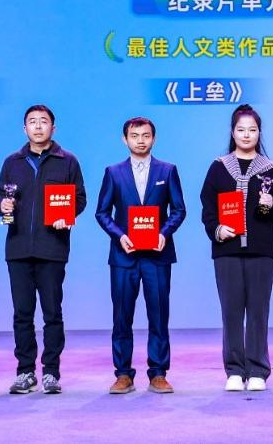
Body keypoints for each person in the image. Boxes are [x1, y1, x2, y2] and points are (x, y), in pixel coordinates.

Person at [0, 104, 87, 395]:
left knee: (52, 313)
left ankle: (51, 372)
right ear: (24, 128)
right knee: (22, 313)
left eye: (43, 121)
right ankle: (25, 371)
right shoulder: (12, 161)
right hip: (18, 248)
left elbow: (79, 198)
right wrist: (2, 205)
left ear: (53, 128)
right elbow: (0, 194)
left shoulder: (67, 161)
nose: (37, 126)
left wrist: (67, 215)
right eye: (32, 122)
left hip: (52, 248)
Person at [200, 104, 273, 392]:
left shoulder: (270, 168)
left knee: (259, 311)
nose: (246, 134)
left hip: (261, 249)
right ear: (232, 132)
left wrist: (270, 205)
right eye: (241, 129)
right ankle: (235, 370)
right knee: (231, 311)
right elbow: (208, 207)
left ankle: (258, 370)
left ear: (259, 132)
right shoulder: (218, 167)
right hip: (227, 250)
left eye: (252, 129)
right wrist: (217, 229)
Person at [94, 117, 186, 395]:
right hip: (124, 256)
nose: (141, 140)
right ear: (125, 139)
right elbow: (102, 212)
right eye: (135, 136)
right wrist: (119, 236)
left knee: (159, 315)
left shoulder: (167, 170)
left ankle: (158, 373)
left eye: (146, 135)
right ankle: (123, 374)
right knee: (122, 316)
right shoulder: (113, 172)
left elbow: (179, 209)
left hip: (157, 255)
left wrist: (164, 233)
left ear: (153, 138)